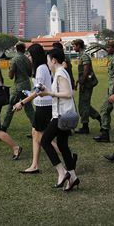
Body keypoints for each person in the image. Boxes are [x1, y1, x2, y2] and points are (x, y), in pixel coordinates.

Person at [37, 48, 80, 192]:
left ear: (54, 60)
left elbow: (68, 93)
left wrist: (49, 93)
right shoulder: (61, 72)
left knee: (45, 141)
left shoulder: (60, 73)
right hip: (63, 114)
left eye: (48, 60)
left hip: (61, 115)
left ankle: (62, 172)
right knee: (62, 145)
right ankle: (73, 177)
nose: (47, 63)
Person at [13, 44, 51, 173]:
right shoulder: (42, 67)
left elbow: (39, 89)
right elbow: (38, 89)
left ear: (35, 55)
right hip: (42, 104)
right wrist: (30, 93)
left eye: (30, 54)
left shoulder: (41, 68)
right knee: (37, 134)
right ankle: (35, 165)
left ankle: (65, 155)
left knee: (41, 136)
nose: (28, 57)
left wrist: (22, 103)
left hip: (44, 105)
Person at [95, 41, 114, 143]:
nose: (107, 49)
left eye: (108, 47)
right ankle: (105, 133)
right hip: (113, 90)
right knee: (104, 110)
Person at [2, 43, 34, 131]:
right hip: (27, 85)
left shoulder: (14, 59)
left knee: (11, 106)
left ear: (16, 49)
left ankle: (4, 127)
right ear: (24, 49)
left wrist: (10, 70)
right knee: (29, 108)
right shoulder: (27, 59)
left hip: (18, 86)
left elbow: (11, 76)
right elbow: (30, 73)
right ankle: (36, 126)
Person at [73, 39, 101, 134]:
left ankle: (85, 127)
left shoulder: (84, 56)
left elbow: (86, 70)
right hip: (84, 82)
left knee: (83, 105)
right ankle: (99, 118)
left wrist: (82, 83)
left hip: (87, 84)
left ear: (79, 46)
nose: (73, 47)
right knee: (84, 105)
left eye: (74, 46)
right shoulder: (81, 55)